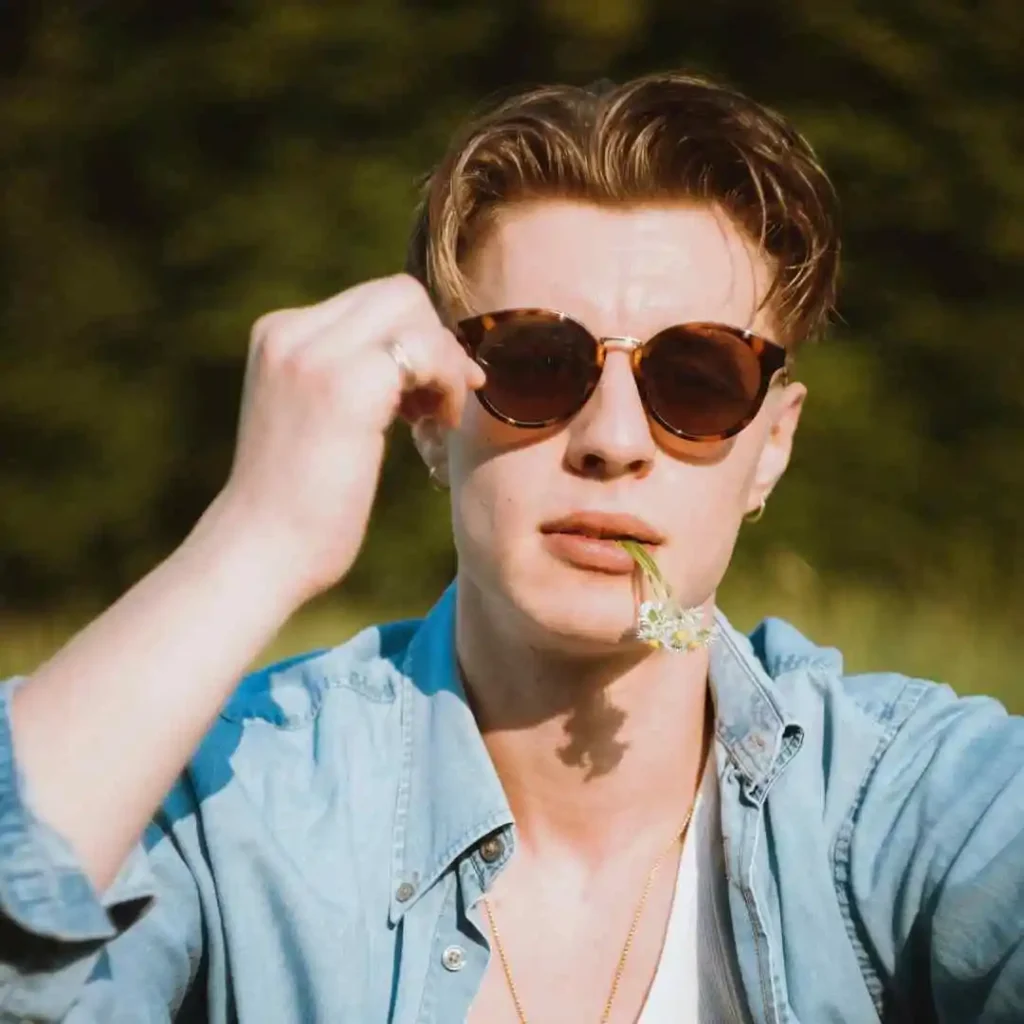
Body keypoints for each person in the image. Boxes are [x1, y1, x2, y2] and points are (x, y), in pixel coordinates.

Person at [1, 70, 1021, 1024]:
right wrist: (254, 538)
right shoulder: (241, 799)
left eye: (697, 379)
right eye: (536, 364)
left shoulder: (900, 798)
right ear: (431, 415)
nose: (613, 441)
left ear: (771, 448)